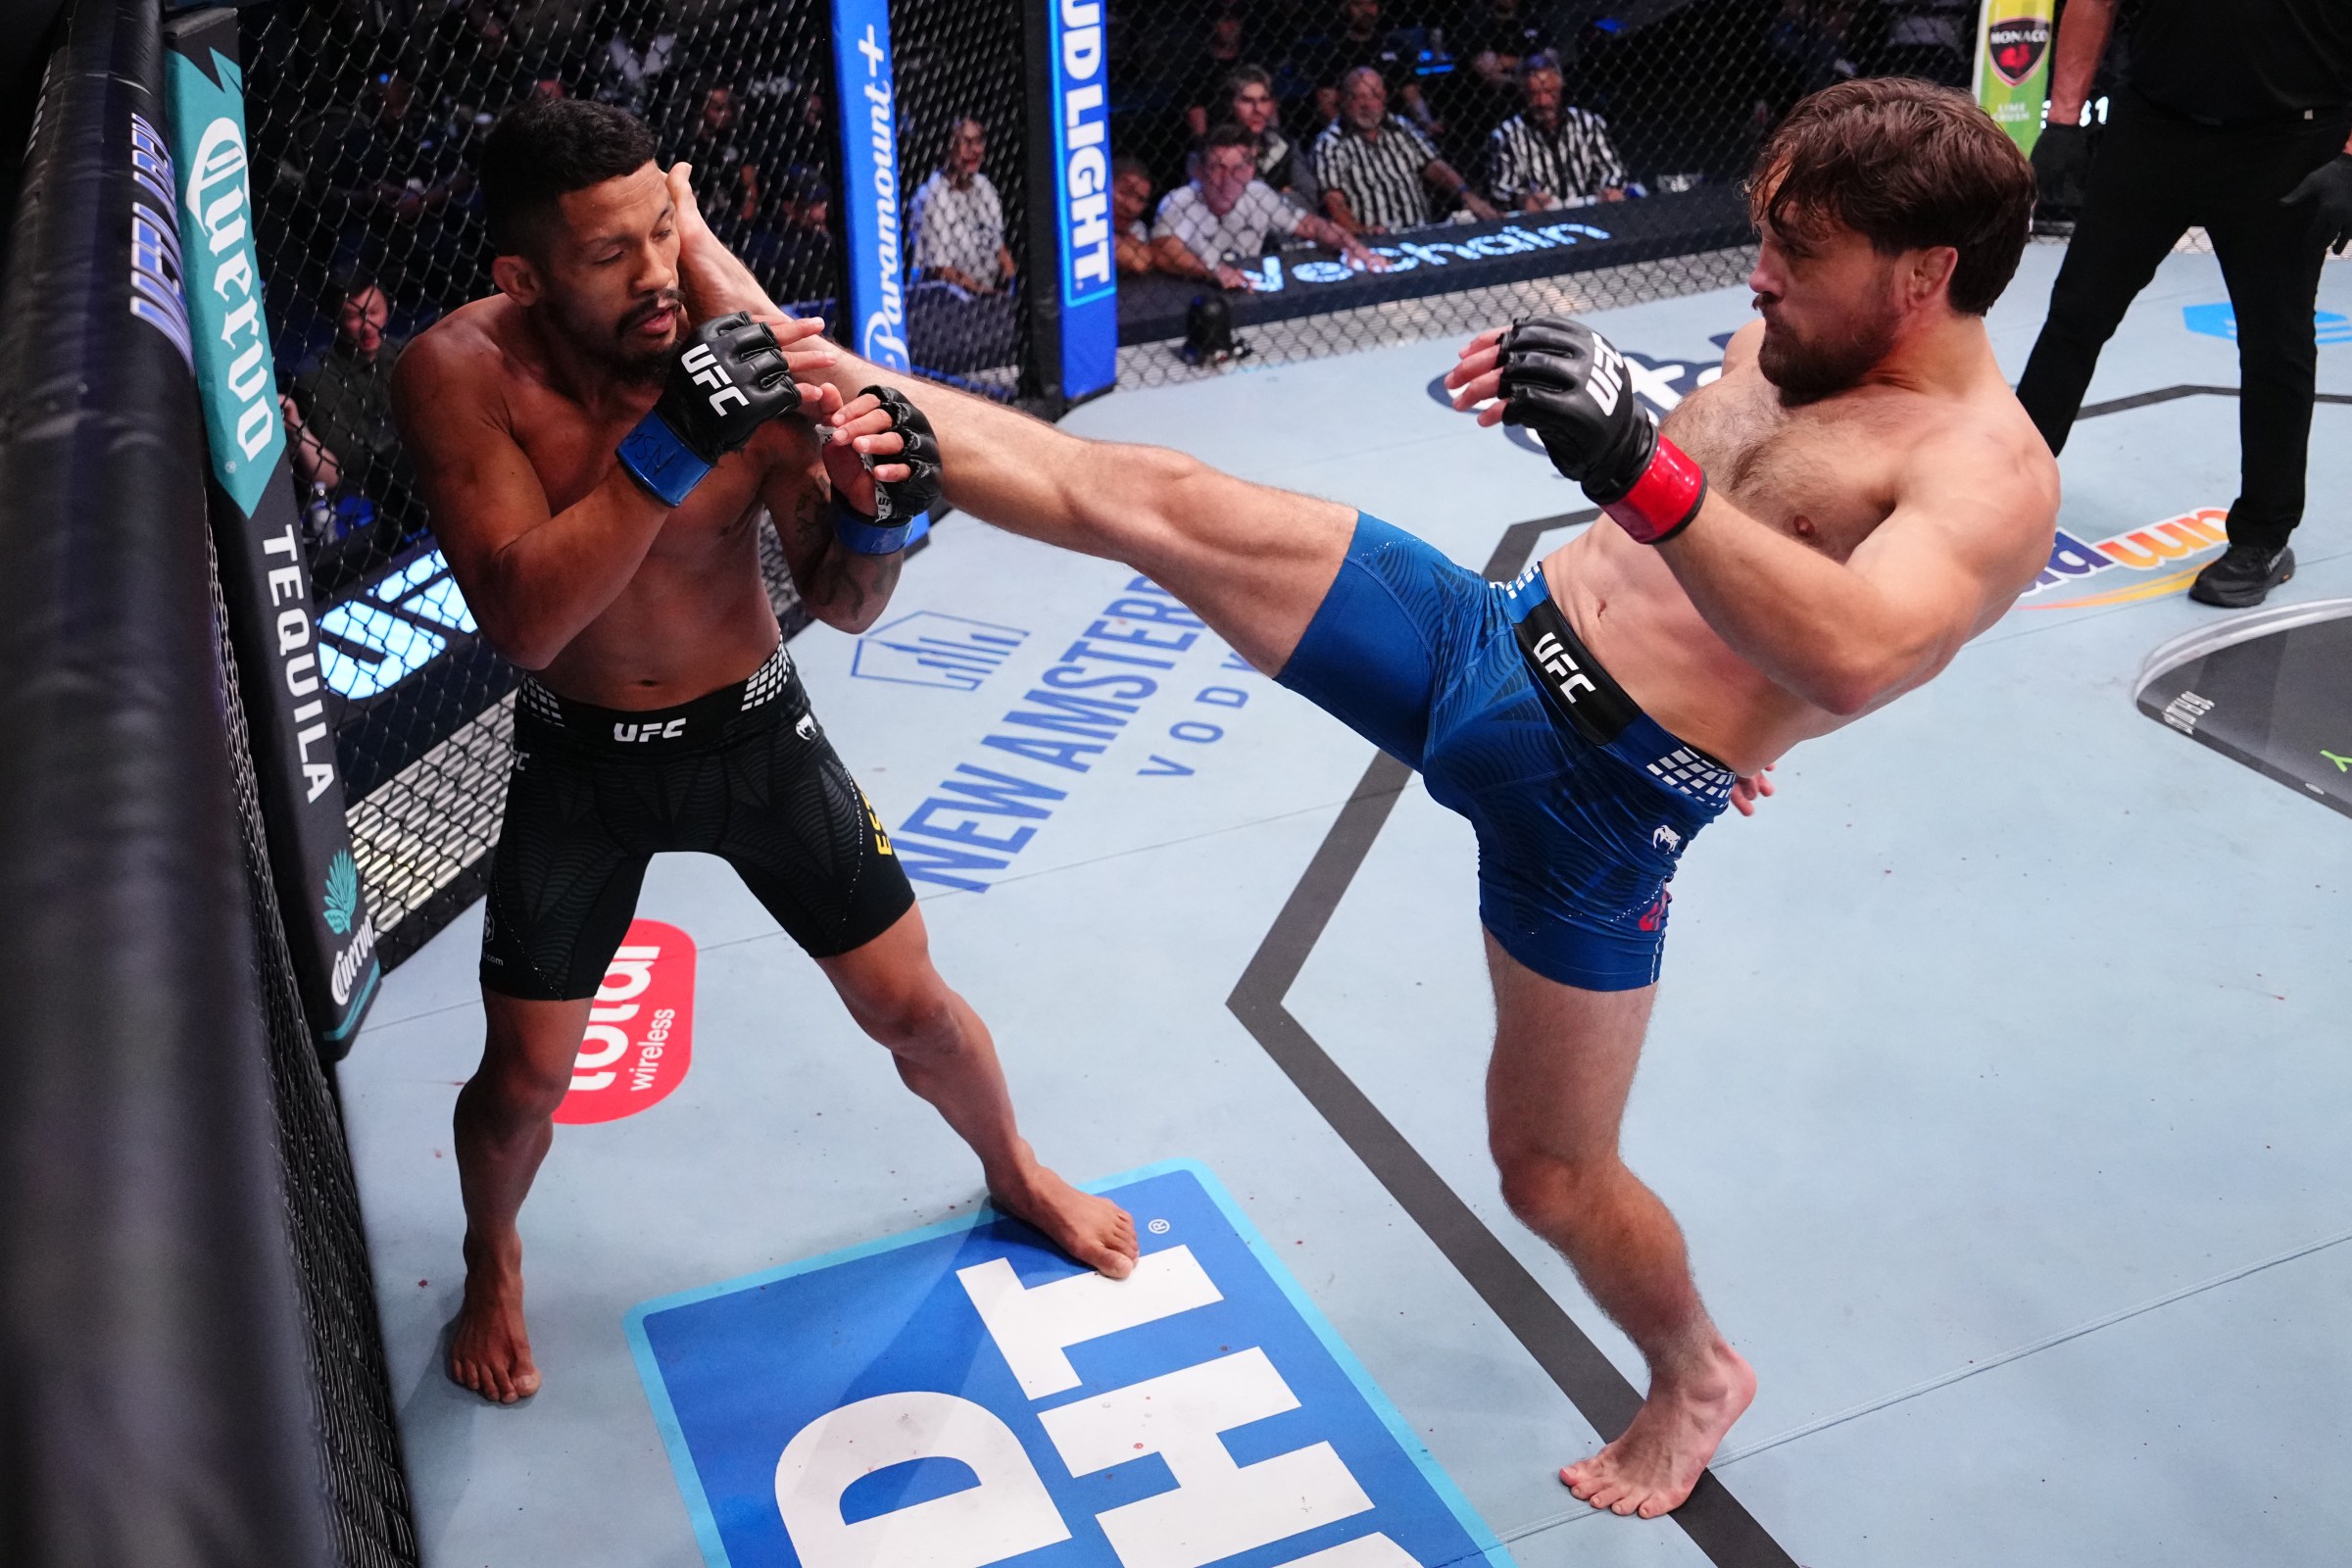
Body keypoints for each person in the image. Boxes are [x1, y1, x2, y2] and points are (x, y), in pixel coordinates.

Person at [671, 75, 2053, 1518]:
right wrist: (1595, 411)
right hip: (1487, 640)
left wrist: (1651, 503)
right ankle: (785, 346)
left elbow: (1856, 648)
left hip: (1587, 813)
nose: (1758, 276)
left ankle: (1695, 1369)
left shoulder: (1989, 475)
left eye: (1798, 256)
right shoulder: (1794, 338)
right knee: (1145, 493)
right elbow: (1723, 534)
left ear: (1926, 278)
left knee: (1551, 1174)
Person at [388, 99, 1137, 1404]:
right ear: (522, 279)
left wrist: (879, 519)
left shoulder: (747, 353)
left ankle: (1013, 1167)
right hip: (580, 762)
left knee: (915, 1009)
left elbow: (840, 603)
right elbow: (522, 619)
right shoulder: (458, 373)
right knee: (522, 1082)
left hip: (755, 736)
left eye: (661, 234)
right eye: (608, 255)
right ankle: (492, 1255)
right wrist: (675, 440)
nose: (655, 275)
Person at [2016, 0, 2352, 608]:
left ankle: (2264, 536)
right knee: (2078, 311)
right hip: (2155, 124)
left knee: (2276, 341)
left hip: (2289, 138)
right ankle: (2003, 485)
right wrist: (2064, 120)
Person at [1154, 122, 1385, 289]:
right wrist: (1213, 271)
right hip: (1194, 290)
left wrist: (1354, 247)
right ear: (1202, 170)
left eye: (1236, 169)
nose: (1227, 179)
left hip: (1248, 286)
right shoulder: (1179, 201)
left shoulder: (1259, 194)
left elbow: (1313, 226)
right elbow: (1164, 250)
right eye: (1218, 168)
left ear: (1250, 170)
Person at [1314, 66, 1498, 234]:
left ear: (1384, 96)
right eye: (1358, 97)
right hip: (1373, 236)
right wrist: (1360, 231)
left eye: (1374, 96)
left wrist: (1465, 193)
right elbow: (1334, 200)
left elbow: (1433, 165)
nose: (1367, 105)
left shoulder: (1402, 127)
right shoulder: (1330, 143)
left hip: (1420, 230)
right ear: (1344, 99)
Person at [1486, 56, 1629, 213]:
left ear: (1560, 88)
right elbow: (1500, 188)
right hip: (1537, 218)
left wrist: (1610, 189)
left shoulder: (1588, 122)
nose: (1543, 102)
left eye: (1549, 92)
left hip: (1589, 210)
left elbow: (1613, 169)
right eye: (1534, 94)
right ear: (1523, 95)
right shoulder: (1507, 134)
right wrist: (1522, 198)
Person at [909, 117, 1015, 295]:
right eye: (965, 142)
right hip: (944, 303)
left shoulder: (985, 187)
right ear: (946, 149)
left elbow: (999, 248)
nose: (974, 150)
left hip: (987, 296)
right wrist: (984, 293)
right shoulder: (931, 197)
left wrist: (1011, 282)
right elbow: (940, 270)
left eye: (978, 141)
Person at [1209, 64, 1319, 210]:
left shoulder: (1284, 145)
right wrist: (1283, 192)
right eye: (1247, 101)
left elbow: (1310, 201)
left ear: (1272, 105)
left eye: (1264, 100)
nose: (1257, 109)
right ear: (1231, 105)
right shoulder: (1217, 152)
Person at [1112, 155, 1158, 277]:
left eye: (1141, 200)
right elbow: (1136, 262)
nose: (1131, 207)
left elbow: (1142, 263)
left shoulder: (1136, 227)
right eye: (1125, 193)